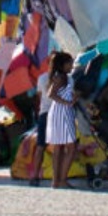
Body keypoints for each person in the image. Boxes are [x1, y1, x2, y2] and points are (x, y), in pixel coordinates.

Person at [45, 51, 77, 189]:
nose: (71, 65)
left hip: (59, 111)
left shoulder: (62, 77)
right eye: (69, 63)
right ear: (63, 64)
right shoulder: (62, 77)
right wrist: (66, 102)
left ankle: (56, 180)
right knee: (71, 146)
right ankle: (62, 179)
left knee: (59, 146)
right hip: (62, 112)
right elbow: (51, 94)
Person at [28, 60, 53, 186]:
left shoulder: (42, 78)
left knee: (40, 146)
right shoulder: (64, 79)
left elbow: (39, 96)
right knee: (60, 146)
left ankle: (35, 176)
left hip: (44, 113)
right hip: (56, 114)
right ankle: (59, 177)